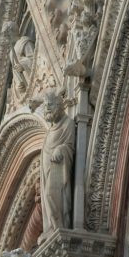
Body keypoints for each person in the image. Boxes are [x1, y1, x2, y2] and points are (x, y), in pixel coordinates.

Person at [40, 89, 75, 241]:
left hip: (59, 168)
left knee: (50, 195)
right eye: (46, 106)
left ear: (59, 106)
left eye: (51, 105)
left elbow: (70, 146)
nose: (47, 108)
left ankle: (59, 225)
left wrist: (61, 149)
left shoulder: (67, 123)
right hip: (48, 171)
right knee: (46, 197)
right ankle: (51, 228)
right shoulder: (49, 131)